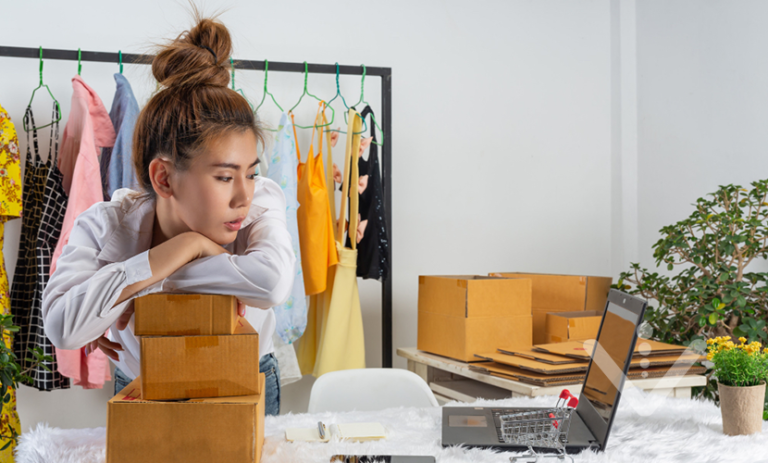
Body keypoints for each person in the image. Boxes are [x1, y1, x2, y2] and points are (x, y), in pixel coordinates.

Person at [41, 16, 294, 416]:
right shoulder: (106, 223)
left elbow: (271, 284)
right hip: (145, 380)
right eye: (225, 176)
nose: (243, 194)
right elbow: (60, 326)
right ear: (163, 178)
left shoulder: (261, 201)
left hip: (245, 377)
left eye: (252, 171)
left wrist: (131, 287)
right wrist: (188, 246)